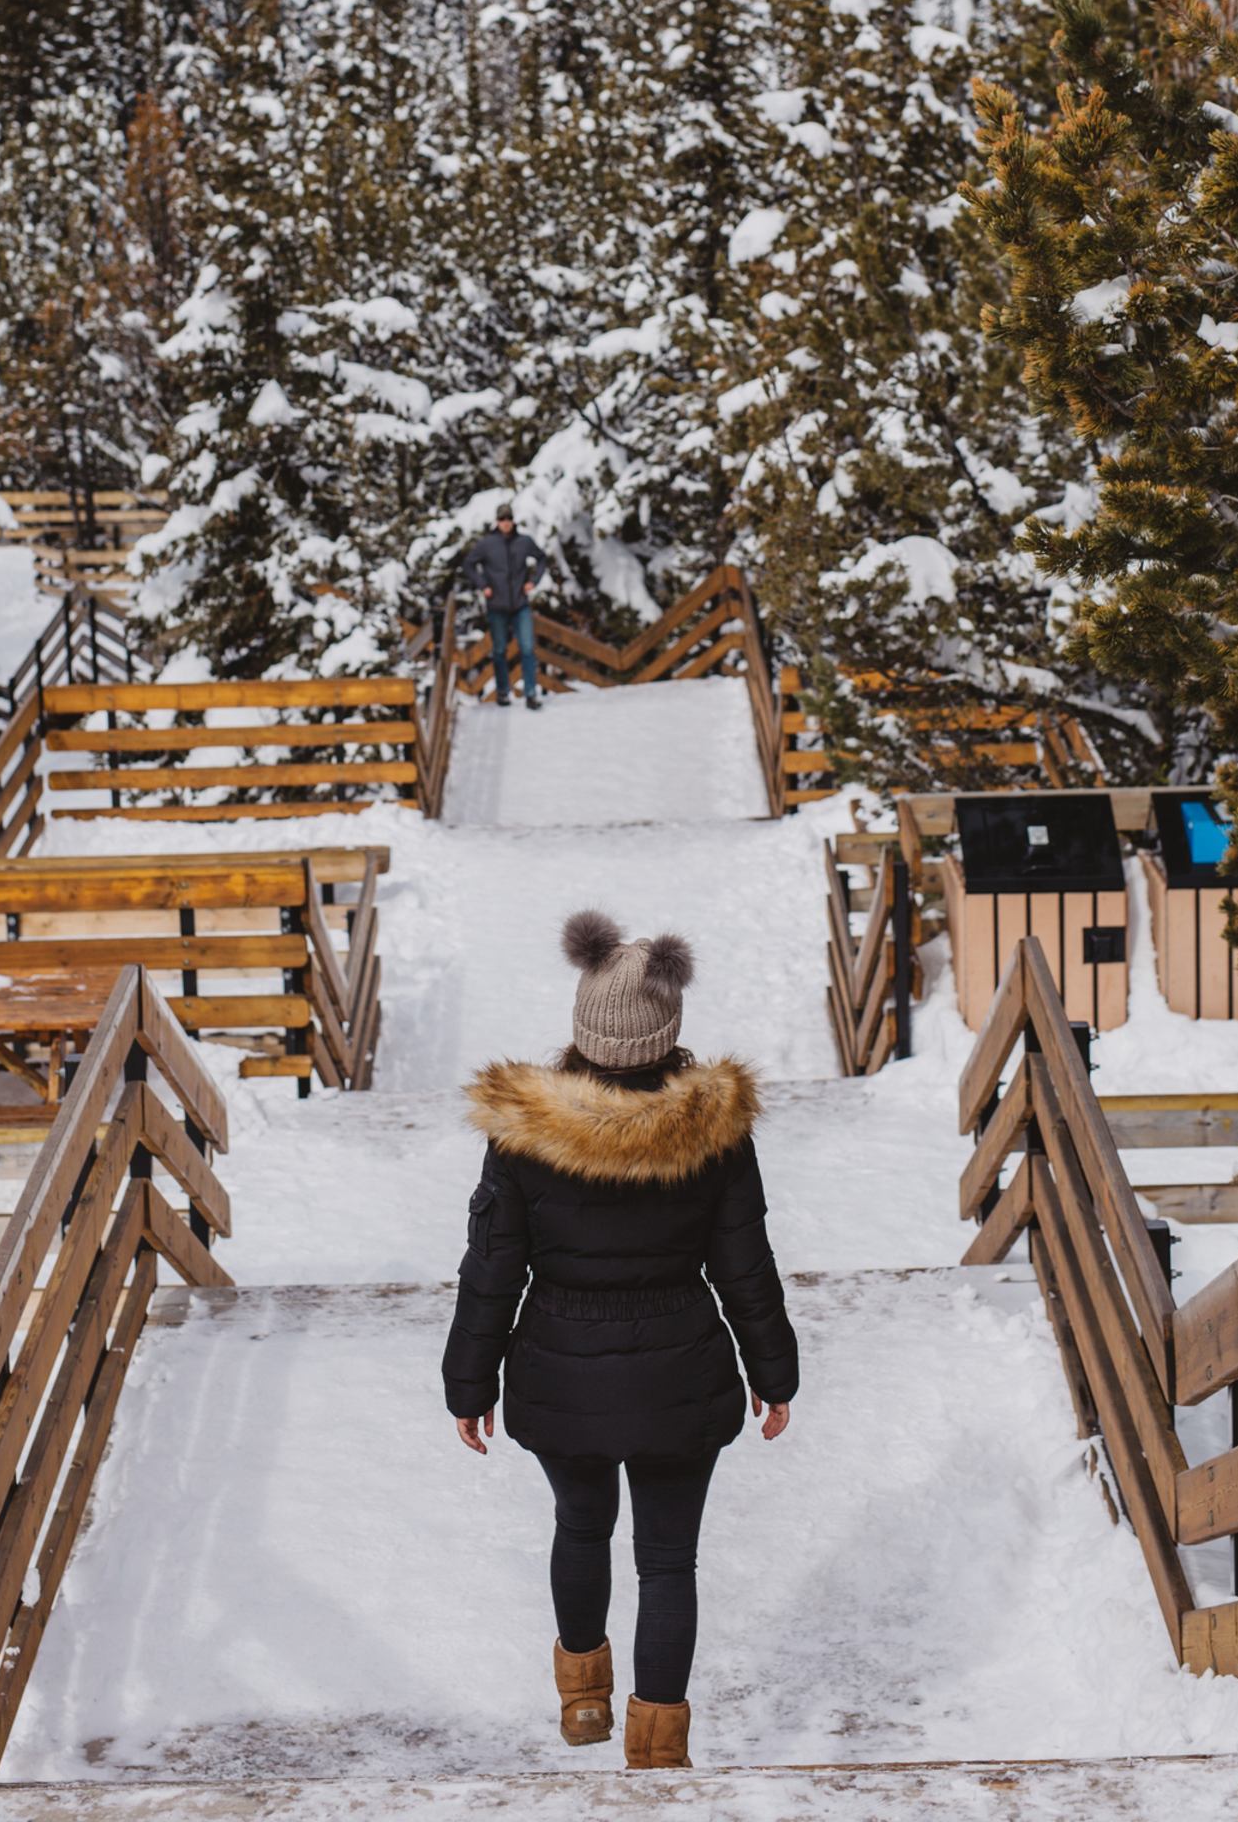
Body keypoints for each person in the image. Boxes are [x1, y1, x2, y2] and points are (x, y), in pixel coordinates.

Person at [442, 911, 798, 1771]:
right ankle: (657, 1746)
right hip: (683, 1369)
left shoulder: (524, 1132)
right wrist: (773, 1372)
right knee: (669, 1562)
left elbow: (492, 1269)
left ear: (582, 1030)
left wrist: (469, 1384)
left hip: (560, 1369)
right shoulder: (714, 1132)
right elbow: (744, 1264)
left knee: (580, 1525)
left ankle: (582, 1699)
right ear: (669, 1030)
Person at [462, 502, 549, 709]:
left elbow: (542, 558)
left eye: (508, 519)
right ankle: (503, 692)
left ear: (513, 520)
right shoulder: (487, 544)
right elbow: (469, 564)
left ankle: (530, 694)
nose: (506, 523)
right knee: (499, 650)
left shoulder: (524, 542)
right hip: (497, 606)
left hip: (520, 604)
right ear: (497, 521)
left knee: (527, 648)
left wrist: (533, 582)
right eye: (502, 519)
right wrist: (483, 585)